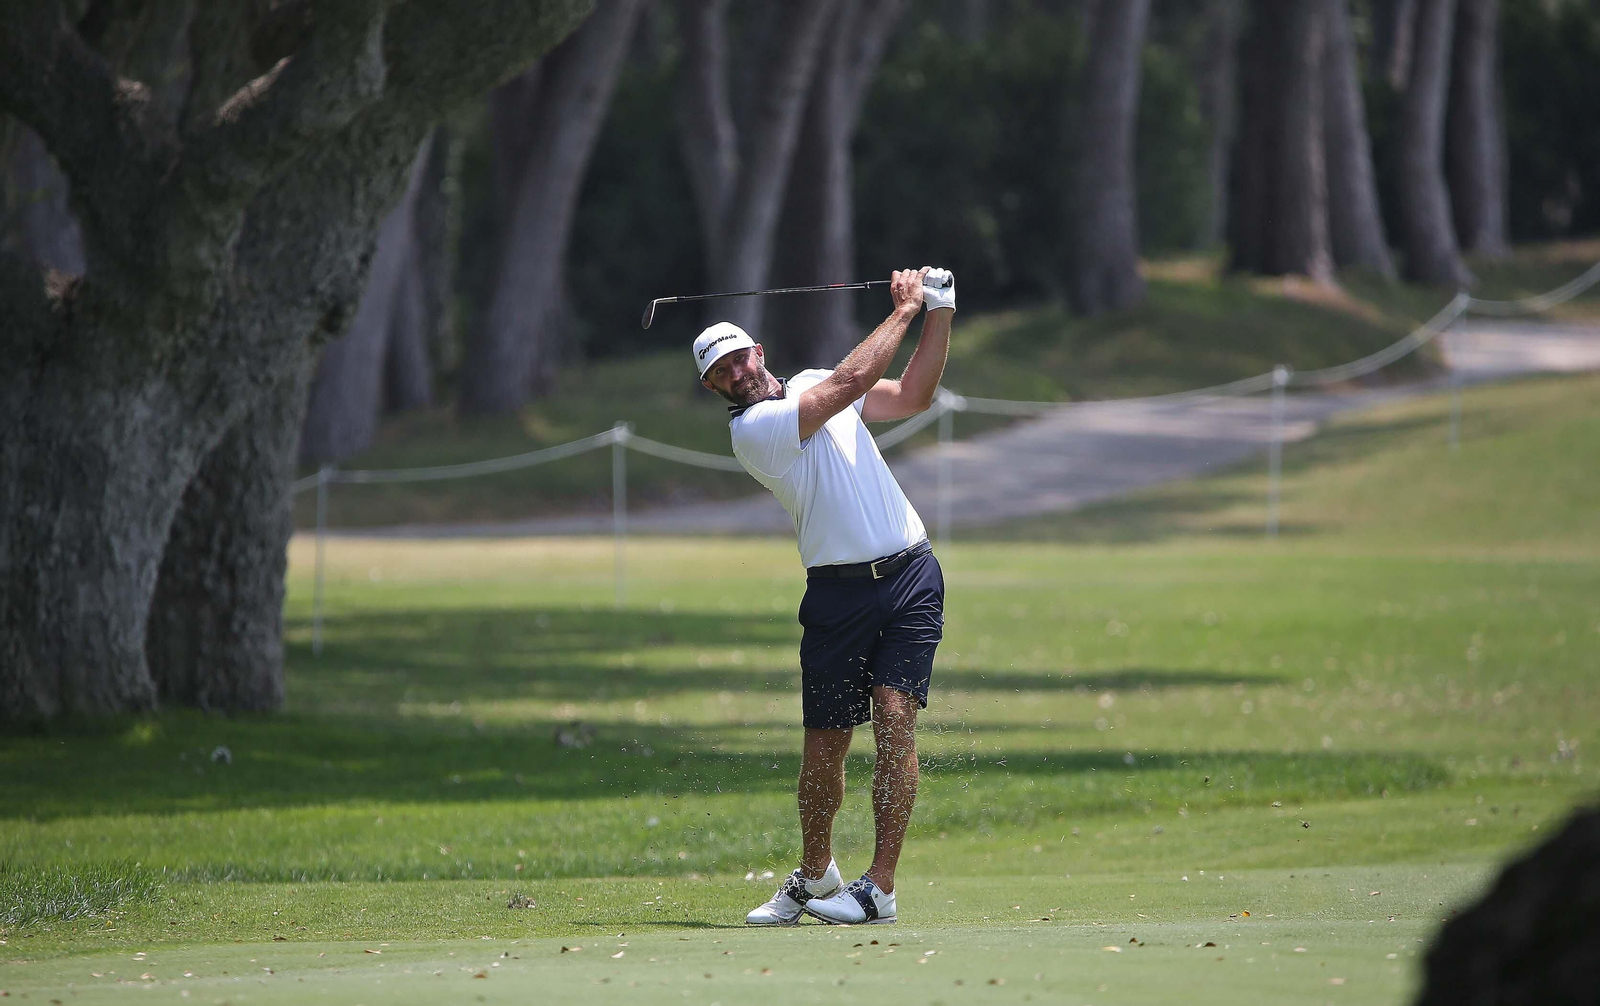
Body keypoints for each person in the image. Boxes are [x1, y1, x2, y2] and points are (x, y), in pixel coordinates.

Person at [694, 266, 955, 926]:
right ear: (714, 388)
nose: (735, 372)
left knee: (896, 716)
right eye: (719, 371)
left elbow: (916, 395)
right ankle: (815, 874)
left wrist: (940, 312)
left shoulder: (811, 384)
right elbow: (853, 381)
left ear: (759, 351)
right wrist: (904, 310)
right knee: (824, 748)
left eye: (738, 356)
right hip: (836, 598)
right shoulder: (755, 430)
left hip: (908, 577)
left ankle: (880, 887)